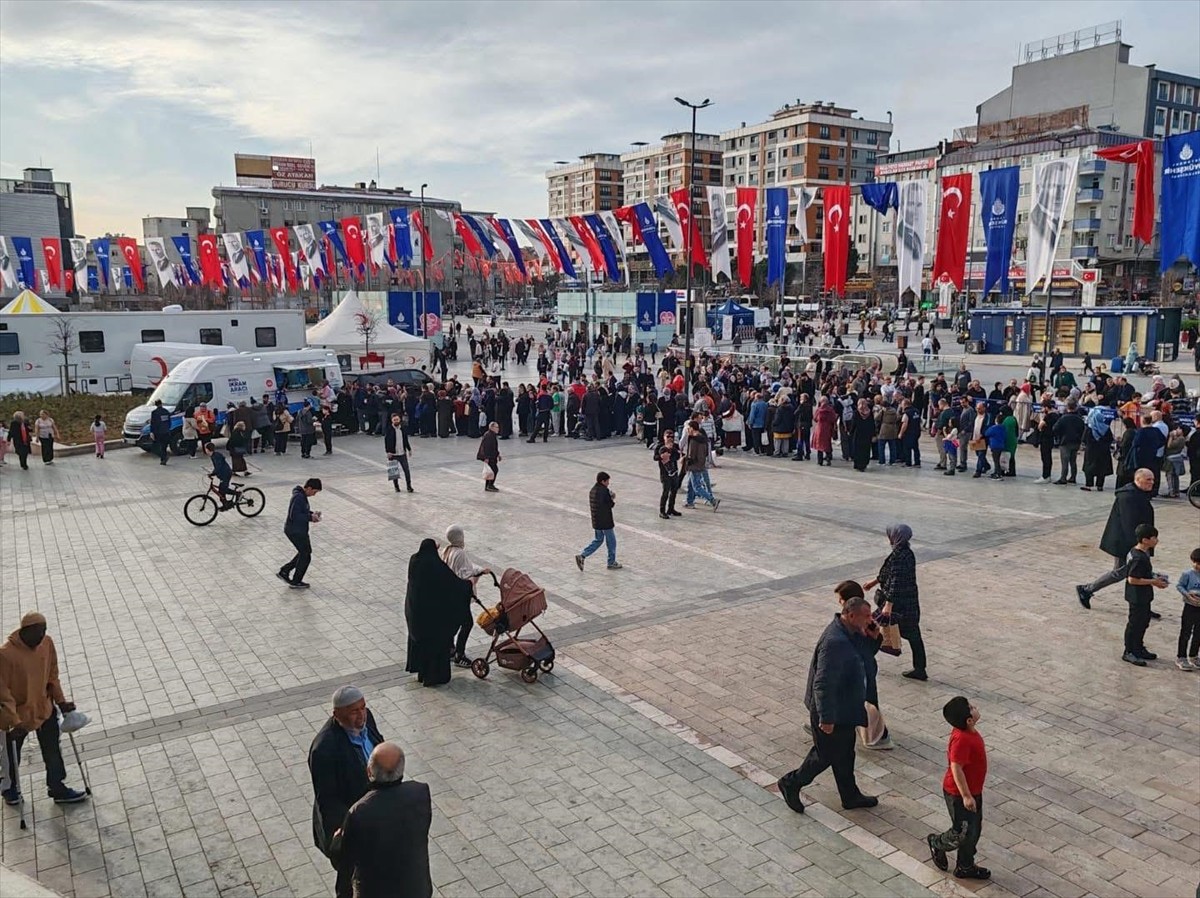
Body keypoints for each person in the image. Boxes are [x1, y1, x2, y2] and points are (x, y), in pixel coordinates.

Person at [776, 596, 878, 814]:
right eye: (866, 616)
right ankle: (791, 782)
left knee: (846, 753)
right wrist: (827, 718)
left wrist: (872, 637)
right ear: (851, 616)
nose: (871, 620)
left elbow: (863, 657)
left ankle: (850, 795)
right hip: (833, 711)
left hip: (846, 708)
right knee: (825, 755)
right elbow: (822, 683)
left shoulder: (850, 633)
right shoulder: (835, 642)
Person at [0, 611, 89, 806]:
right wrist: (14, 722)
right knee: (11, 755)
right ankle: (9, 788)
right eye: (37, 632)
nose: (41, 637)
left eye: (44, 631)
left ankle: (57, 787)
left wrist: (61, 701)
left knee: (52, 750)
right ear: (25, 631)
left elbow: (52, 675)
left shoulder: (46, 644)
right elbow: (2, 693)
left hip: (44, 707)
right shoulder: (6, 654)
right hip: (18, 716)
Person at [308, 685, 384, 893]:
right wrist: (346, 830)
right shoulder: (324, 749)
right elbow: (328, 800)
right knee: (350, 879)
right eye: (353, 711)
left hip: (374, 814)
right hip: (349, 824)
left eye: (363, 708)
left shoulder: (367, 719)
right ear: (337, 715)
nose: (361, 716)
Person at [335, 742, 432, 898]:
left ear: (369, 772)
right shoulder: (420, 792)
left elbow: (347, 863)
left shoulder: (360, 812)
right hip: (416, 889)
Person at [926, 696, 991, 881]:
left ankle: (965, 866)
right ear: (969, 720)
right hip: (959, 795)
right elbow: (956, 767)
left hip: (973, 792)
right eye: (971, 707)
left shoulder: (968, 732)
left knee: (974, 830)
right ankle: (937, 843)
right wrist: (966, 796)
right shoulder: (962, 739)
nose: (975, 707)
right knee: (961, 832)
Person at [1076, 468, 1156, 609]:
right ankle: (1087, 589)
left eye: (1153, 479)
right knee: (1121, 572)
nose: (1152, 482)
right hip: (1126, 542)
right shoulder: (1128, 497)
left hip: (1141, 541)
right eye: (1148, 479)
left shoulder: (1139, 493)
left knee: (1140, 571)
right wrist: (1138, 548)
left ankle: (1143, 606)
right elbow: (1129, 524)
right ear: (1137, 480)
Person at [404, 539, 473, 687]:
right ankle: (434, 676)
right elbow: (453, 584)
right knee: (435, 643)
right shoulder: (435, 565)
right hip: (431, 621)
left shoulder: (415, 561)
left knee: (423, 646)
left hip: (415, 614)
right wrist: (469, 585)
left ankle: (423, 673)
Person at [863, 524, 926, 680]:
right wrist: (874, 582)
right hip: (908, 604)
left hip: (899, 606)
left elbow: (896, 581)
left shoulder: (899, 556)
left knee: (872, 629)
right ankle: (920, 668)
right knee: (914, 637)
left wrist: (888, 605)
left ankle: (864, 660)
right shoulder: (905, 552)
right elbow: (888, 574)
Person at [835, 581, 891, 750]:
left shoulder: (862, 620)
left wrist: (873, 638)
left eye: (840, 599)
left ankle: (881, 735)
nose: (839, 603)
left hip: (863, 667)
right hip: (861, 666)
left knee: (868, 702)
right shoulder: (855, 617)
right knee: (864, 700)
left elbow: (871, 646)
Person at [441, 525, 489, 667]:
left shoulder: (446, 550)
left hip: (449, 595)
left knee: (452, 623)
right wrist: (479, 573)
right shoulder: (460, 553)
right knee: (466, 623)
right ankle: (459, 654)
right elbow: (465, 574)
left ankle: (449, 649)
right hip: (459, 596)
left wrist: (480, 570)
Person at [1122, 524, 1168, 666]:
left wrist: (1154, 577)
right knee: (1135, 624)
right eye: (1154, 538)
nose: (1156, 541)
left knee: (1143, 622)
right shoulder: (1139, 558)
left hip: (1142, 595)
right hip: (1137, 596)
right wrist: (1154, 581)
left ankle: (1138, 647)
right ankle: (1129, 651)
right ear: (1145, 540)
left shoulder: (1136, 552)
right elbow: (1133, 579)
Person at [278, 478, 322, 589]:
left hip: (299, 530)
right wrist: (310, 517)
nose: (314, 494)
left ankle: (285, 571)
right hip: (295, 531)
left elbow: (302, 511)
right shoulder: (298, 497)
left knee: (304, 552)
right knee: (306, 555)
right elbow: (294, 515)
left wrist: (312, 514)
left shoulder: (301, 496)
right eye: (314, 492)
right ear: (309, 488)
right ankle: (295, 581)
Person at [574, 472, 621, 571]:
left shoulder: (593, 490)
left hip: (597, 521)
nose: (608, 483)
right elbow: (610, 505)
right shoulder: (604, 491)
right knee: (611, 542)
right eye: (607, 481)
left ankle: (582, 555)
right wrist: (612, 497)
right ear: (602, 481)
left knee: (598, 540)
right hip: (605, 521)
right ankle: (611, 562)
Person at [1174, 548, 1200, 671]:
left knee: (1198, 633)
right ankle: (1181, 656)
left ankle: (1194, 655)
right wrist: (1188, 595)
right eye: (1196, 563)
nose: (1197, 566)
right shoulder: (1187, 574)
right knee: (1185, 632)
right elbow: (1179, 585)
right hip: (1190, 607)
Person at [1052, 399, 1085, 484]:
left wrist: (1058, 436)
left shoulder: (1063, 418)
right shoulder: (1079, 419)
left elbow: (1055, 428)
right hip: (1076, 442)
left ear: (1067, 407)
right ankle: (1073, 477)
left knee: (1065, 461)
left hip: (1065, 441)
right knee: (1073, 460)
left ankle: (1063, 478)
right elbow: (1083, 430)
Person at [655, 429, 682, 520]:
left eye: (672, 437)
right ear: (664, 437)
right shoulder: (659, 446)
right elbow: (655, 457)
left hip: (674, 471)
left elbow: (677, 456)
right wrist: (662, 456)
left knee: (674, 491)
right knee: (665, 492)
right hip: (664, 473)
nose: (670, 438)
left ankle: (671, 508)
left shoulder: (675, 446)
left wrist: (671, 451)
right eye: (668, 437)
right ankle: (662, 511)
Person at [384, 413, 414, 494]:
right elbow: (386, 441)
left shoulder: (403, 429)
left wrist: (409, 449)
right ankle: (396, 487)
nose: (396, 421)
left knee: (406, 470)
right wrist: (388, 452)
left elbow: (405, 440)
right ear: (392, 421)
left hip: (402, 453)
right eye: (394, 420)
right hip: (393, 454)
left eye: (397, 419)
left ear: (399, 420)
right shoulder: (389, 429)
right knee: (394, 472)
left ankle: (409, 486)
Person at [203, 442, 235, 510]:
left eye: (205, 448)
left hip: (226, 474)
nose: (205, 450)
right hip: (222, 474)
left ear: (208, 449)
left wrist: (213, 473)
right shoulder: (213, 455)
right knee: (221, 490)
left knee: (222, 490)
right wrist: (213, 473)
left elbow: (218, 466)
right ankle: (225, 504)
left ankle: (237, 494)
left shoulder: (216, 456)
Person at [477, 421, 501, 492]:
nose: (498, 429)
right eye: (496, 427)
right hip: (490, 457)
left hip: (492, 456)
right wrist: (486, 457)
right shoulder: (489, 436)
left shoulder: (491, 435)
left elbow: (494, 447)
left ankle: (488, 485)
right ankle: (490, 485)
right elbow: (486, 447)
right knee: (494, 470)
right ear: (492, 428)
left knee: (490, 471)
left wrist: (498, 454)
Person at [150, 399, 172, 465]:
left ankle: (163, 458)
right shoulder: (166, 411)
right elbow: (169, 422)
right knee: (164, 446)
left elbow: (153, 423)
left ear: (155, 405)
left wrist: (152, 432)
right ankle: (163, 459)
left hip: (158, 432)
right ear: (161, 404)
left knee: (157, 447)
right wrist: (168, 429)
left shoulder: (154, 413)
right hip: (166, 432)